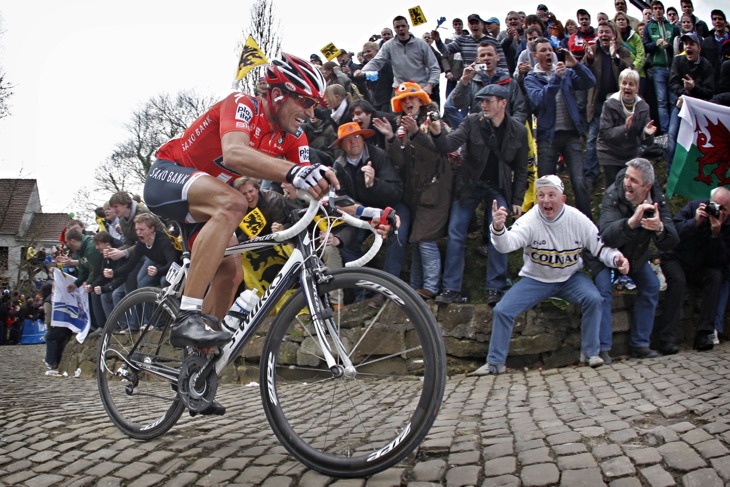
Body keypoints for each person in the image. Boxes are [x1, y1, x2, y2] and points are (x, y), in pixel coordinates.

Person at [142, 53, 338, 349]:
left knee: (231, 271)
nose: (310, 114)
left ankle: (197, 365)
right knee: (234, 202)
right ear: (276, 95)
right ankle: (187, 317)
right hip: (169, 177)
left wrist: (365, 213)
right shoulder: (242, 104)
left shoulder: (294, 137)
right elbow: (234, 153)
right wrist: (295, 171)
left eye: (314, 105)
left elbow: (312, 185)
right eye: (305, 102)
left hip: (207, 207)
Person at [471, 175, 629, 375]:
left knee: (594, 298)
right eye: (541, 195)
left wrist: (617, 259)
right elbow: (506, 245)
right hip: (536, 279)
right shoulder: (529, 220)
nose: (545, 201)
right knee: (502, 310)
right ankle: (495, 363)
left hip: (570, 277)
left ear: (562, 199)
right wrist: (498, 228)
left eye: (551, 195)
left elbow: (600, 248)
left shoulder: (577, 219)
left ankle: (590, 353)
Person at [429, 84, 528, 305]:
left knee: (499, 234)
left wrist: (517, 200)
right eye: (481, 100)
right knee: (456, 231)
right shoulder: (472, 121)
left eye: (488, 101)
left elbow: (521, 169)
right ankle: (451, 288)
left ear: (503, 103)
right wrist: (436, 132)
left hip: (499, 187)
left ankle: (496, 288)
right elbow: (448, 145)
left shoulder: (518, 130)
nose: (483, 105)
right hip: (469, 185)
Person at [592, 158, 678, 361]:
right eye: (627, 177)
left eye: (633, 181)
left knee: (651, 286)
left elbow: (672, 241)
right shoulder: (613, 194)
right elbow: (606, 235)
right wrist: (631, 222)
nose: (627, 183)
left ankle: (640, 344)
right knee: (603, 290)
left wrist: (659, 228)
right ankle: (603, 348)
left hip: (635, 257)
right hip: (605, 255)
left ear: (646, 186)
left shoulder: (657, 200)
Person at [372, 82, 452, 299]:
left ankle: (431, 287)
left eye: (412, 99)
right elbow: (401, 162)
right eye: (404, 100)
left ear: (421, 101)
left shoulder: (434, 123)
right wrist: (390, 138)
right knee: (416, 240)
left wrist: (417, 133)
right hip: (416, 193)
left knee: (424, 238)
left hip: (436, 190)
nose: (408, 103)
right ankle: (417, 287)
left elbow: (437, 153)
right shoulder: (400, 128)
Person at [524, 37, 596, 219]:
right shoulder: (531, 78)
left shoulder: (565, 72)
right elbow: (540, 100)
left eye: (550, 49)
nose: (548, 53)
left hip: (571, 134)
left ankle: (587, 225)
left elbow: (590, 82)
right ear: (535, 55)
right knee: (547, 184)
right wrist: (557, 78)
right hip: (548, 137)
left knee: (579, 181)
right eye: (543, 50)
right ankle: (549, 223)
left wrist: (576, 64)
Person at [328, 122, 408, 284]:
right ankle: (362, 290)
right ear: (342, 145)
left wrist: (373, 183)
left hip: (390, 207)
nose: (354, 142)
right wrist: (362, 211)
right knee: (347, 244)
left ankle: (389, 286)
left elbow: (396, 191)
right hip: (361, 212)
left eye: (357, 136)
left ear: (363, 138)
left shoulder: (378, 155)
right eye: (348, 139)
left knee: (398, 234)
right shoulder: (339, 165)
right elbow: (341, 199)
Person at [659, 187, 730, 352]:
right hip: (675, 258)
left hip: (699, 265)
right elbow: (672, 235)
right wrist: (694, 222)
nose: (718, 211)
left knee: (715, 276)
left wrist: (715, 235)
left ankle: (704, 334)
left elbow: (720, 261)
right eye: (716, 205)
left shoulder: (727, 227)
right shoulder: (695, 207)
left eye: (724, 208)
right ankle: (667, 338)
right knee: (678, 281)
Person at [582, 21, 635, 189]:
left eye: (607, 32)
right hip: (597, 103)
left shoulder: (623, 50)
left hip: (618, 104)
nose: (604, 34)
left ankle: (622, 176)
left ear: (614, 34)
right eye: (601, 32)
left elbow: (629, 71)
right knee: (593, 140)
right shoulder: (593, 51)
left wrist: (615, 57)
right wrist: (589, 59)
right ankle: (591, 176)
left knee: (620, 139)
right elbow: (582, 71)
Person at [597, 68, 657, 188]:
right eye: (624, 83)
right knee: (614, 189)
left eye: (631, 84)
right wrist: (624, 128)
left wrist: (646, 133)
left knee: (628, 188)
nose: (627, 87)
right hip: (609, 153)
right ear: (620, 85)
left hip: (630, 154)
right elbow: (605, 133)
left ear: (637, 87)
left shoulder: (643, 107)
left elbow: (647, 142)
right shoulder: (609, 104)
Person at [446, 41, 528, 126]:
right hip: (479, 134)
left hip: (505, 133)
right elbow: (457, 104)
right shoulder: (472, 82)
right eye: (482, 55)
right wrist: (464, 81)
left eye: (490, 54)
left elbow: (520, 110)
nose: (486, 58)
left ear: (497, 57)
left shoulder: (510, 83)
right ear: (478, 60)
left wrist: (511, 129)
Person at [357, 16, 440, 96]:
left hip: (420, 88)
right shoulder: (388, 45)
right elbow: (377, 61)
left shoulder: (421, 44)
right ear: (394, 29)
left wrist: (430, 85)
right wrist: (363, 71)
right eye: (397, 27)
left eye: (403, 26)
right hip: (400, 89)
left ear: (408, 27)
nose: (401, 29)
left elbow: (434, 67)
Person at [666, 32, 715, 167]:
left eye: (691, 44)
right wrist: (684, 92)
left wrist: (693, 88)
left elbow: (710, 92)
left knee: (694, 144)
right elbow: (672, 83)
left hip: (697, 111)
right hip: (681, 105)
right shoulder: (678, 60)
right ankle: (670, 173)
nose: (688, 47)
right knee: (672, 137)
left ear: (699, 48)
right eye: (686, 44)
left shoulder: (707, 66)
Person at [643, 0, 680, 135]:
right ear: (652, 11)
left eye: (660, 8)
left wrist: (668, 47)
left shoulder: (672, 27)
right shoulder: (648, 27)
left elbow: (678, 48)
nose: (658, 10)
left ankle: (673, 131)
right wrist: (655, 45)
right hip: (657, 68)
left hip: (672, 67)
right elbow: (645, 46)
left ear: (663, 11)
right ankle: (665, 132)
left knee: (673, 101)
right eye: (656, 8)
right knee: (662, 101)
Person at [64, 227, 104, 331]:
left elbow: (95, 269)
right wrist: (76, 284)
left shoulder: (91, 248)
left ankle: (102, 325)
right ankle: (95, 325)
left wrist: (89, 282)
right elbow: (83, 270)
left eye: (68, 244)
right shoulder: (80, 251)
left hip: (103, 277)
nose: (68, 246)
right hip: (95, 279)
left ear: (72, 241)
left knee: (95, 294)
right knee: (89, 294)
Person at [615, 12, 647, 96]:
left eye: (623, 19)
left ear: (627, 22)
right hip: (621, 75)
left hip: (638, 73)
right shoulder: (614, 38)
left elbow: (641, 54)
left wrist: (633, 68)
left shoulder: (635, 36)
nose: (621, 21)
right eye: (618, 20)